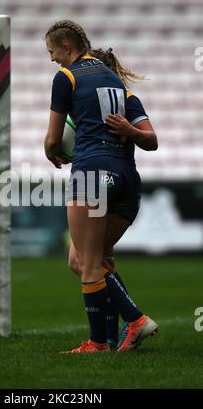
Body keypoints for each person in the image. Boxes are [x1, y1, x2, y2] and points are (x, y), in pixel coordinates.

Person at [44, 20, 158, 353]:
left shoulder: (68, 78)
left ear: (67, 48)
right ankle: (113, 335)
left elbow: (54, 138)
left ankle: (118, 331)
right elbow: (151, 141)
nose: (53, 60)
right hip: (127, 182)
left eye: (53, 53)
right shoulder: (125, 93)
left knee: (87, 263)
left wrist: (52, 152)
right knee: (93, 259)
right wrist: (132, 133)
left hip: (92, 173)